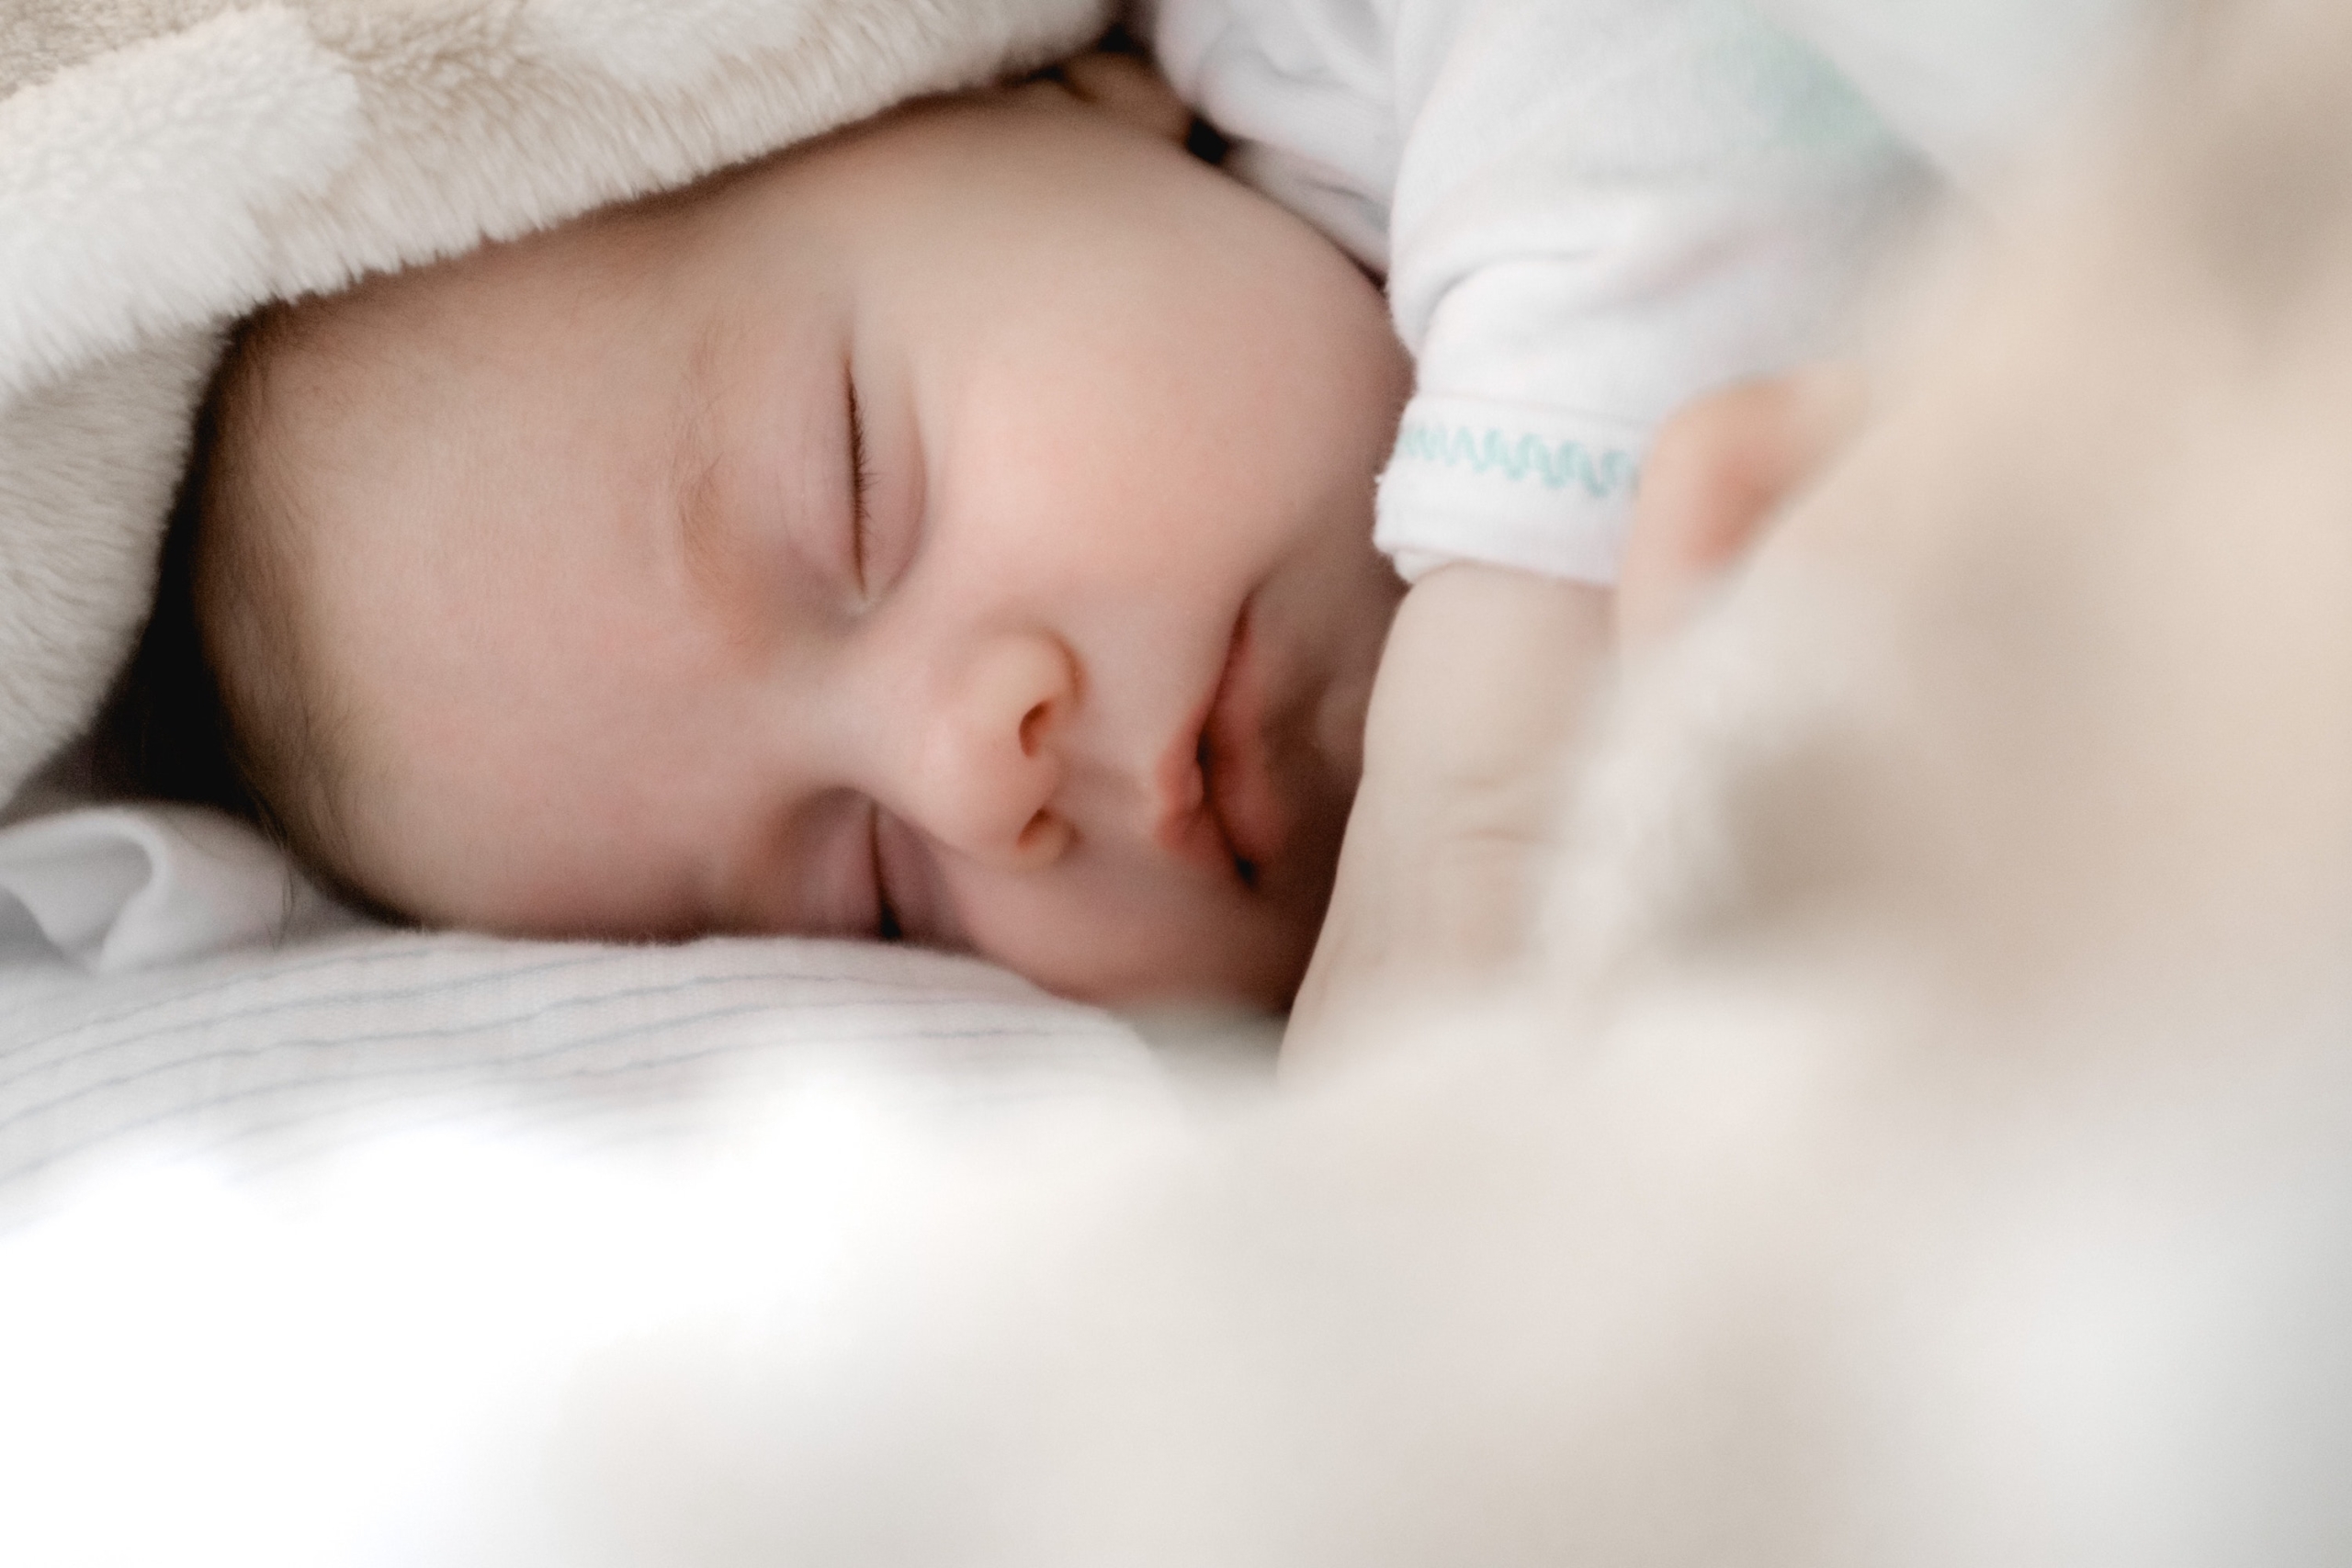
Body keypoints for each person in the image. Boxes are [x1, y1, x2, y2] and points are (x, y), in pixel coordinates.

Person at [156, 22, 1916, 1023]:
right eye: (873, 898)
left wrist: (1494, 715)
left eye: (861, 498)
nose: (968, 776)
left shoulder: (1335, 44)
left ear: (1058, 93)